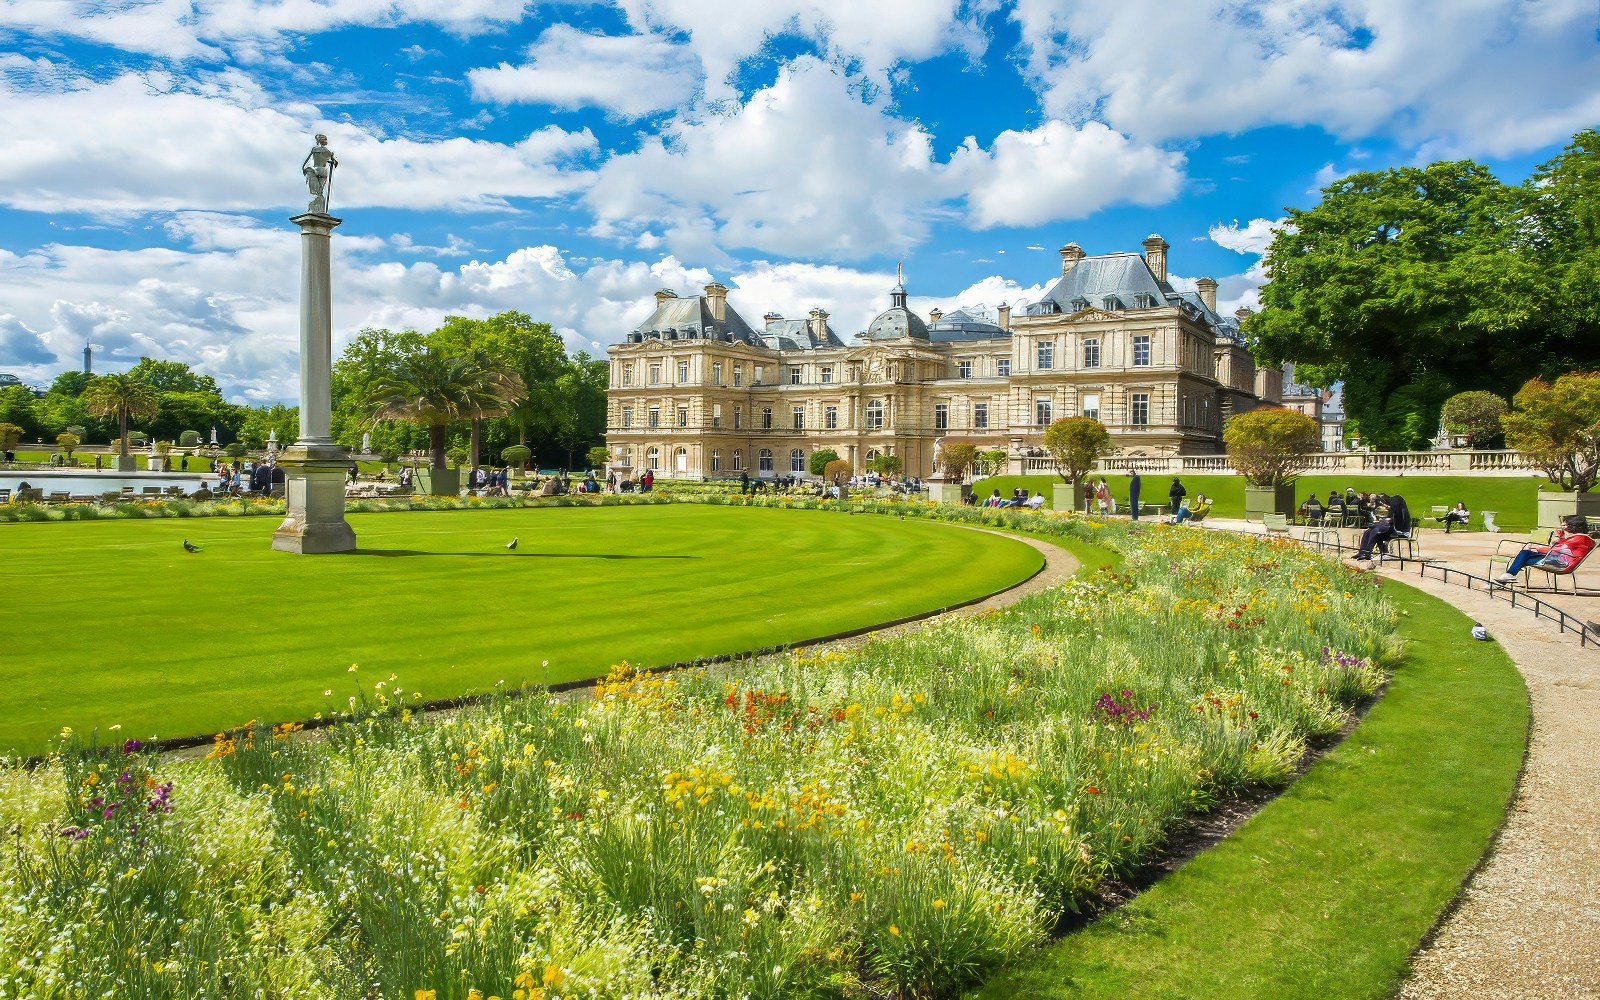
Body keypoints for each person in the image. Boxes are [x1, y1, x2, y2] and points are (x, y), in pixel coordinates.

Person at [1496, 517, 1593, 584]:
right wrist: (1560, 537)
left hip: (1561, 563)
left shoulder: (1579, 538)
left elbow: (1557, 549)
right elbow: (1560, 548)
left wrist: (1537, 549)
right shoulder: (1579, 538)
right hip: (1560, 559)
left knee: (1524, 555)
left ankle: (1505, 578)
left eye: (1565, 523)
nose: (1562, 525)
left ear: (1574, 525)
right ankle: (1506, 578)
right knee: (1523, 556)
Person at [1348, 494, 1413, 569]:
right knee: (1368, 531)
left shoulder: (1395, 503)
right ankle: (1362, 552)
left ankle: (1367, 553)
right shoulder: (1396, 505)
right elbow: (1391, 517)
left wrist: (1385, 520)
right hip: (1393, 529)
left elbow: (1392, 520)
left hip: (1398, 532)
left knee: (1376, 532)